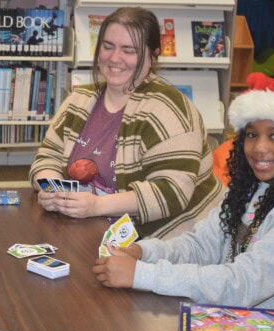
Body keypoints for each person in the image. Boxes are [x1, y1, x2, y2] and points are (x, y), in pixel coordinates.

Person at [92, 72, 274, 329]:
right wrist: (144, 252)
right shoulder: (251, 188)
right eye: (251, 134)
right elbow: (200, 245)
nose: (259, 148)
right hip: (247, 323)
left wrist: (142, 275)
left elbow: (244, 282)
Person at [29, 7, 222, 239]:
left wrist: (96, 206)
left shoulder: (170, 108)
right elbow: (47, 157)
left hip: (169, 243)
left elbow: (171, 193)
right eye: (108, 46)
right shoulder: (79, 100)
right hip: (91, 230)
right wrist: (52, 189)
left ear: (153, 55)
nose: (114, 58)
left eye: (129, 50)